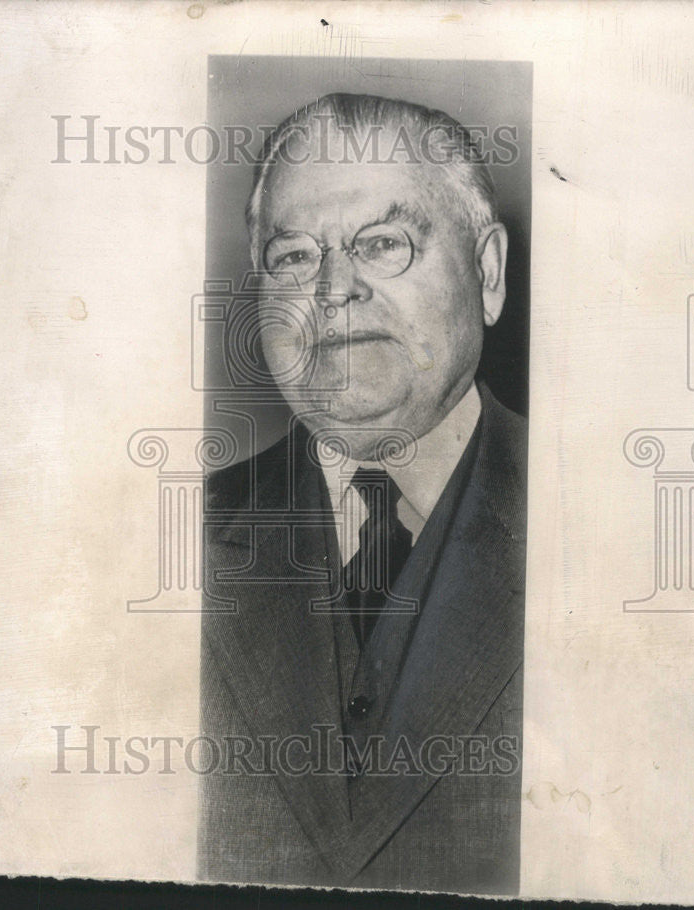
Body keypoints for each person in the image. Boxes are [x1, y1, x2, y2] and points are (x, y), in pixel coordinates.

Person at [198, 93, 526, 894]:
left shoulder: (611, 521)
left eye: (384, 243)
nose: (335, 288)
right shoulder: (174, 534)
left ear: (486, 273)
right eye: (295, 258)